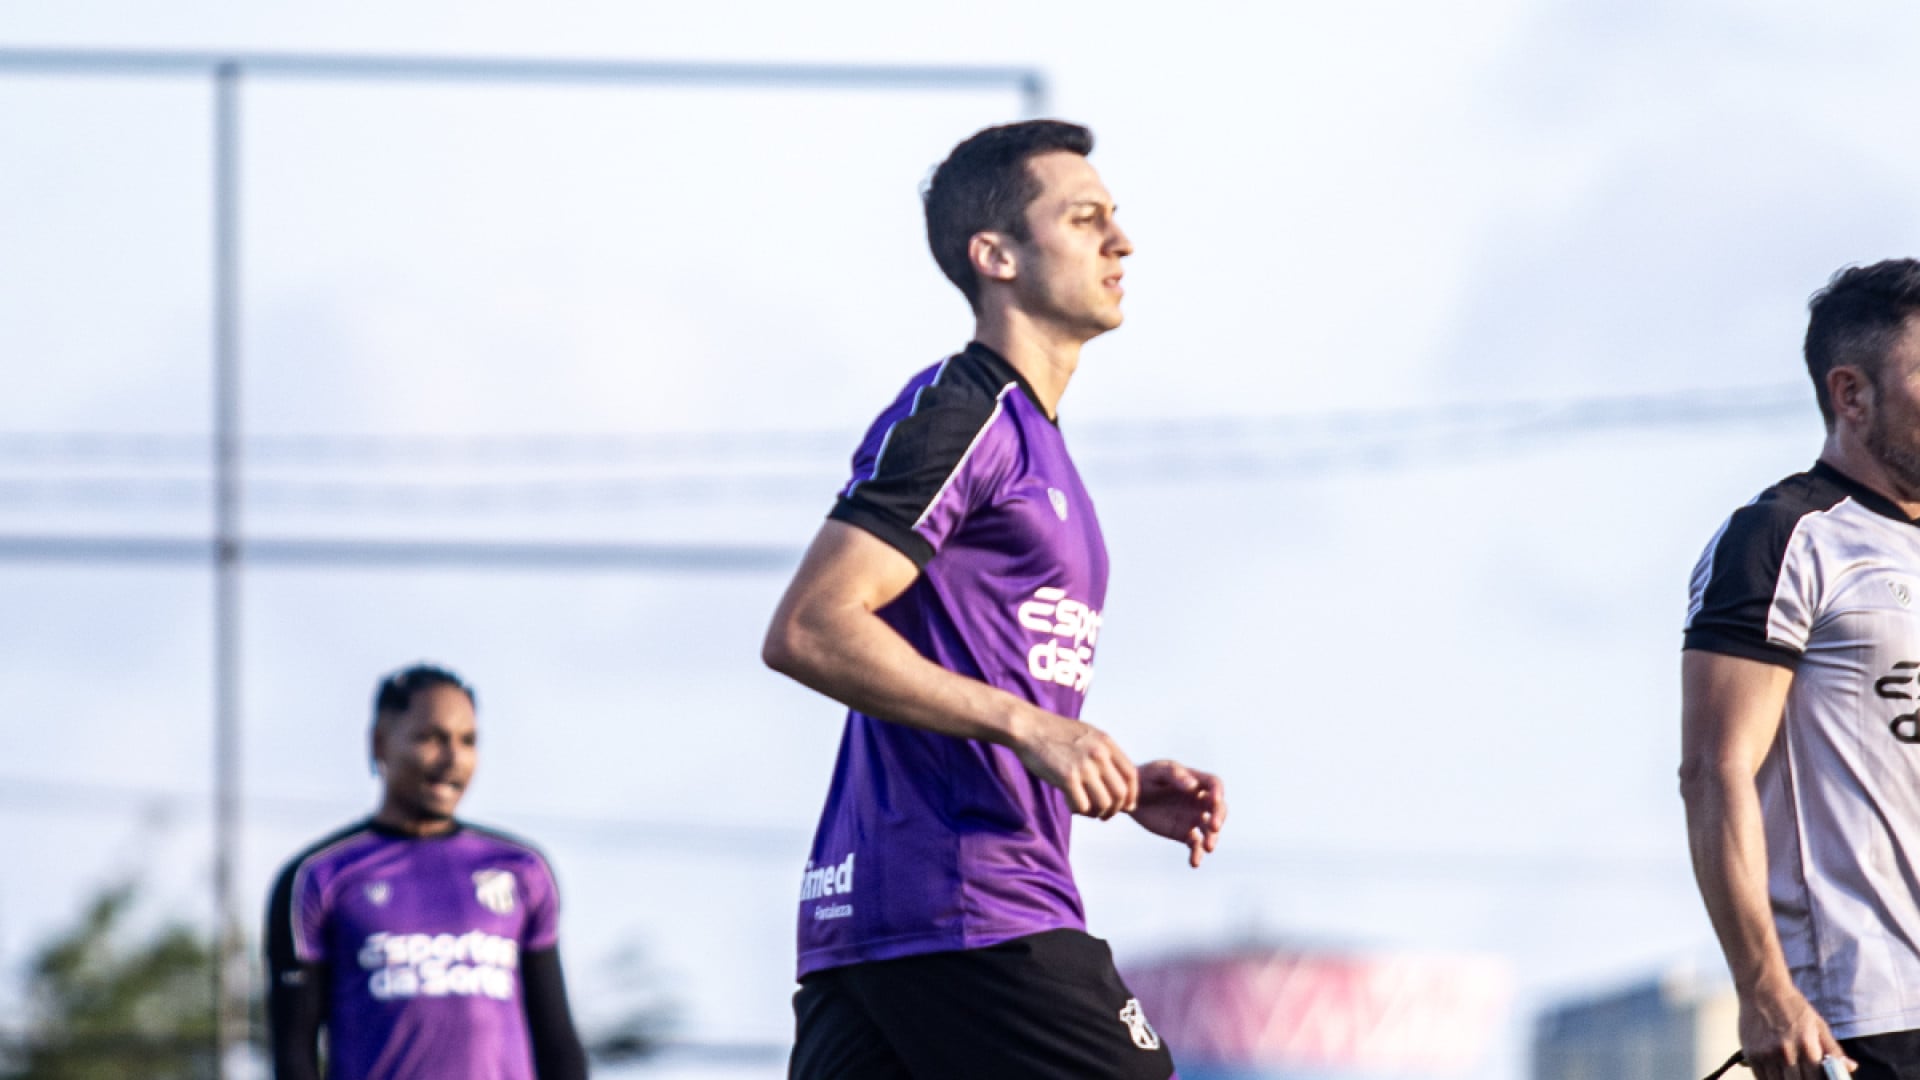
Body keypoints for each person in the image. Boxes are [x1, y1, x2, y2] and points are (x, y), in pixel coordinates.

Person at [762, 119, 1226, 1080]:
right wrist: (1033, 731)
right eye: (1087, 218)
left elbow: (973, 661)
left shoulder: (1039, 444)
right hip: (969, 905)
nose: (1121, 243)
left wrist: (1115, 775)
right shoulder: (964, 413)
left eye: (1117, 220)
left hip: (887, 926)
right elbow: (813, 625)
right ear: (997, 255)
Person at [1681, 259, 1920, 1080]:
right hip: (1864, 1016)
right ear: (1851, 394)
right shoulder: (1787, 537)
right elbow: (1714, 771)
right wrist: (1763, 990)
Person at [264, 664, 588, 1080]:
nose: (453, 758)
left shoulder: (521, 870)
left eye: (467, 741)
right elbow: (294, 1055)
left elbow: (557, 1043)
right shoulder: (319, 876)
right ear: (380, 743)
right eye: (431, 739)